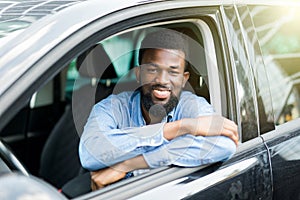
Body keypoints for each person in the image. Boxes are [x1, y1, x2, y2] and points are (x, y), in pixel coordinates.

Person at [79, 29, 238, 190]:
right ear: (138, 74)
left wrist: (131, 165)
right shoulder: (112, 107)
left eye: (173, 72)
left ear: (184, 79)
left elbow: (225, 145)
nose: (162, 80)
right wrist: (182, 127)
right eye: (152, 70)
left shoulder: (192, 105)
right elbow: (89, 154)